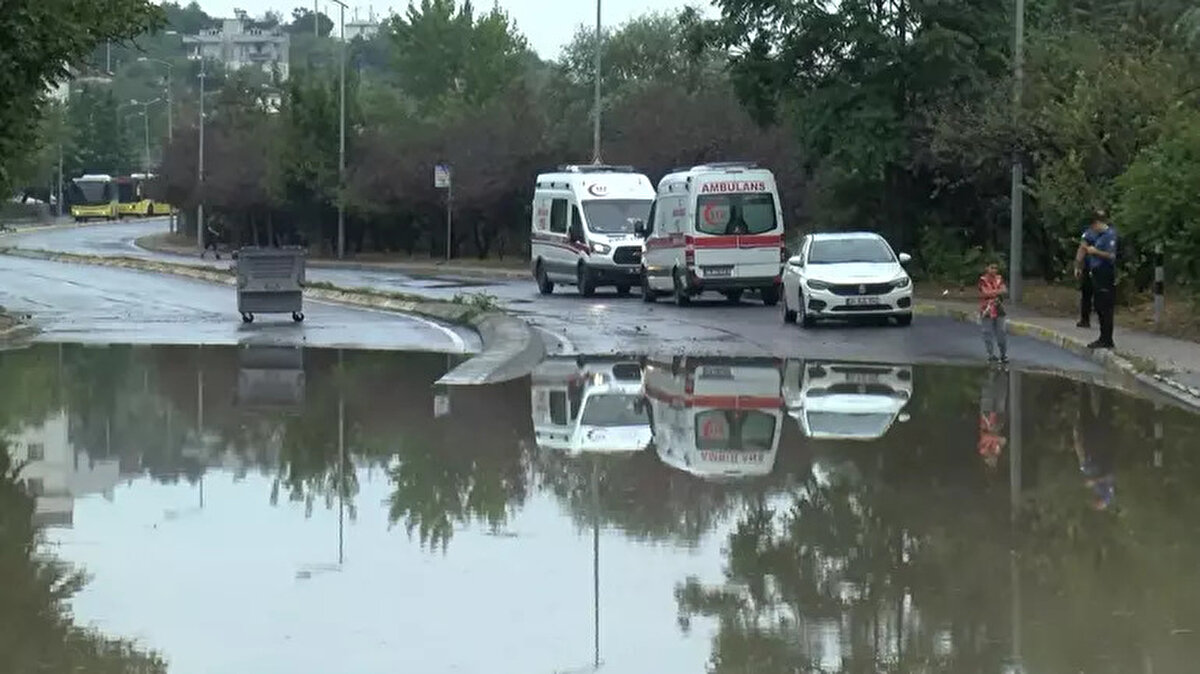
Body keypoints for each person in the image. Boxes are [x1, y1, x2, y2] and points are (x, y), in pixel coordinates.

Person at [1081, 212, 1118, 349]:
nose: (1093, 230)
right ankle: (1103, 337)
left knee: (1105, 307)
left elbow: (1111, 255)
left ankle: (1107, 339)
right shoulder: (1100, 236)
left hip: (1105, 274)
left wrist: (1094, 251)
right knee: (1099, 306)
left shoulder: (1110, 235)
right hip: (1097, 273)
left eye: (1093, 227)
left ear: (1097, 223)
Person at [1073, 210, 1104, 328]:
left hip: (1091, 267)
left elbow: (1082, 249)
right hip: (1104, 267)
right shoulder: (1109, 233)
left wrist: (1077, 266)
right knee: (1101, 294)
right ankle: (1103, 320)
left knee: (1087, 294)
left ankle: (1085, 320)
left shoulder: (1089, 234)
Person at [978, 261, 1009, 364]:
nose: (994, 270)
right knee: (987, 333)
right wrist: (997, 292)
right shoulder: (983, 280)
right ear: (987, 268)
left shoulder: (999, 279)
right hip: (987, 309)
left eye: (996, 268)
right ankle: (990, 355)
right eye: (992, 268)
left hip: (999, 309)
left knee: (1002, 333)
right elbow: (984, 292)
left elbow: (1005, 290)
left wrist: (992, 293)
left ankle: (1003, 355)